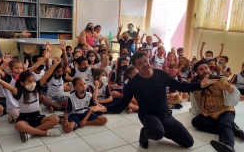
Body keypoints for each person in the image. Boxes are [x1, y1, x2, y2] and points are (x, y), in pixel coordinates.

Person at [89, 51, 219, 149]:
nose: (144, 64)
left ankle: (161, 128)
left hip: (165, 114)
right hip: (147, 114)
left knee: (188, 142)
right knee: (157, 133)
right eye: (140, 63)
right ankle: (145, 133)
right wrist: (105, 108)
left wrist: (200, 85)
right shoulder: (133, 83)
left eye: (145, 61)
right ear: (135, 67)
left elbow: (180, 86)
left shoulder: (160, 74)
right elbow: (123, 103)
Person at [0, 58, 63, 143]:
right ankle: (44, 133)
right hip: (24, 118)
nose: (32, 83)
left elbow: (46, 75)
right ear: (22, 83)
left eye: (33, 81)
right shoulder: (19, 91)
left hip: (37, 116)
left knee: (56, 118)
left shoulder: (37, 87)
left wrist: (55, 63)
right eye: (29, 81)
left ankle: (31, 133)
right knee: (18, 125)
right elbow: (11, 87)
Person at [190, 60, 244, 152]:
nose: (205, 71)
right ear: (196, 72)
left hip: (224, 110)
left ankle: (228, 146)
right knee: (196, 122)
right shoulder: (195, 84)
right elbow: (194, 97)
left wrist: (231, 90)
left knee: (224, 124)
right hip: (208, 113)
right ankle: (233, 129)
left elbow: (233, 93)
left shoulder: (219, 80)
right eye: (201, 69)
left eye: (206, 68)